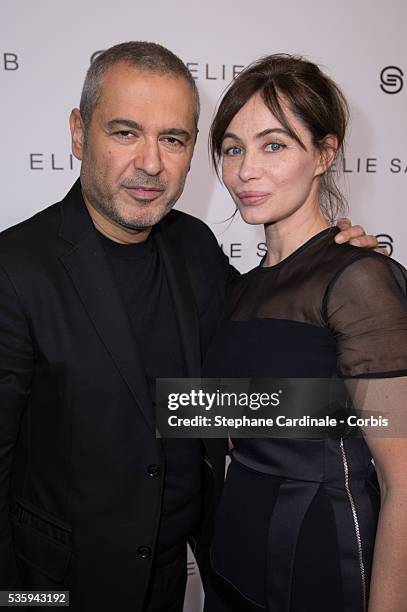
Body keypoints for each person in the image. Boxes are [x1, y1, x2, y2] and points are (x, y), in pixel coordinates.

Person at [0, 42, 378, 612]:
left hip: (185, 578)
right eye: (125, 133)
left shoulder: (194, 246)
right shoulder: (16, 268)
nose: (151, 163)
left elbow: (257, 350)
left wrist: (339, 262)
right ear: (80, 134)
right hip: (60, 585)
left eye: (173, 139)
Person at [203, 54, 407, 612]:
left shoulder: (359, 279)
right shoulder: (239, 289)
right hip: (230, 567)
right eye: (233, 148)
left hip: (321, 571)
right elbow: (232, 425)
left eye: (274, 145)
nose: (246, 170)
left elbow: (404, 482)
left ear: (325, 153)